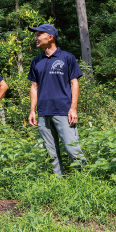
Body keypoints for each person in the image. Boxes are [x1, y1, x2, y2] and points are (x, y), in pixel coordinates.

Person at [27, 24, 88, 176]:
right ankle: (58, 181)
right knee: (51, 151)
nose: (36, 38)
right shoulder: (36, 61)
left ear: (50, 36)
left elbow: (74, 83)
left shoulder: (67, 57)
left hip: (63, 110)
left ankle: (85, 178)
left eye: (39, 34)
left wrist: (73, 108)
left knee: (72, 147)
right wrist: (32, 110)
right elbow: (34, 87)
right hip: (43, 111)